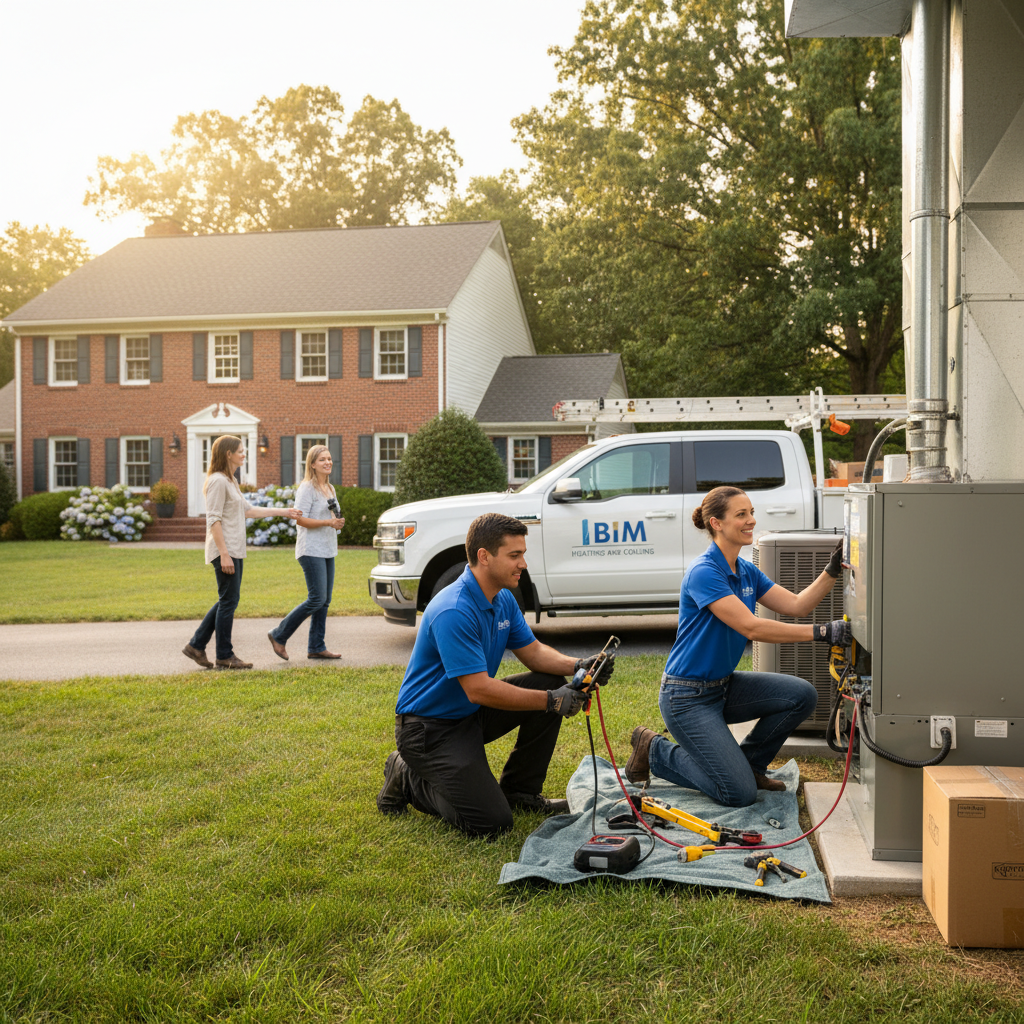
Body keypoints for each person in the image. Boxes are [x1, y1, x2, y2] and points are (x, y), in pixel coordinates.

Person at [375, 512, 615, 837]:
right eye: (514, 555)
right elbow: (478, 689)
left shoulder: (502, 599)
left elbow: (533, 653)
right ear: (484, 557)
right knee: (490, 822)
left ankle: (520, 792)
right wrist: (551, 701)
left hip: (469, 714)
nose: (523, 564)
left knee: (548, 681)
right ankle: (406, 776)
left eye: (523, 554)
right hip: (429, 730)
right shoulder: (454, 609)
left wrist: (578, 666)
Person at [624, 485, 849, 807]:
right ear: (716, 523)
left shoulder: (744, 570)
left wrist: (832, 568)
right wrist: (823, 632)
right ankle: (656, 750)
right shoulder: (705, 572)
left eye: (752, 512)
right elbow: (751, 626)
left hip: (723, 688)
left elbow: (798, 605)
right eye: (741, 514)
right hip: (686, 697)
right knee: (737, 794)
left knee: (801, 695)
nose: (751, 521)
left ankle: (752, 766)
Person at [182, 435, 302, 670]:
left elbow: (248, 510)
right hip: (225, 550)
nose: (244, 454)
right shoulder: (217, 481)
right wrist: (224, 554)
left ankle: (196, 645)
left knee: (228, 600)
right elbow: (213, 520)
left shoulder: (230, 481)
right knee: (228, 602)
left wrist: (284, 512)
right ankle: (224, 655)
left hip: (235, 549)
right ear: (228, 454)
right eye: (240, 451)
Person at [267, 444, 346, 661]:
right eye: (322, 459)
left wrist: (336, 523)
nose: (328, 462)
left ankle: (316, 646)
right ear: (312, 464)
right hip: (310, 549)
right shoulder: (307, 488)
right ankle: (278, 635)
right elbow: (299, 519)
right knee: (316, 598)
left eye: (329, 459)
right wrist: (327, 522)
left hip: (328, 548)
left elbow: (330, 516)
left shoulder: (330, 489)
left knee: (325, 600)